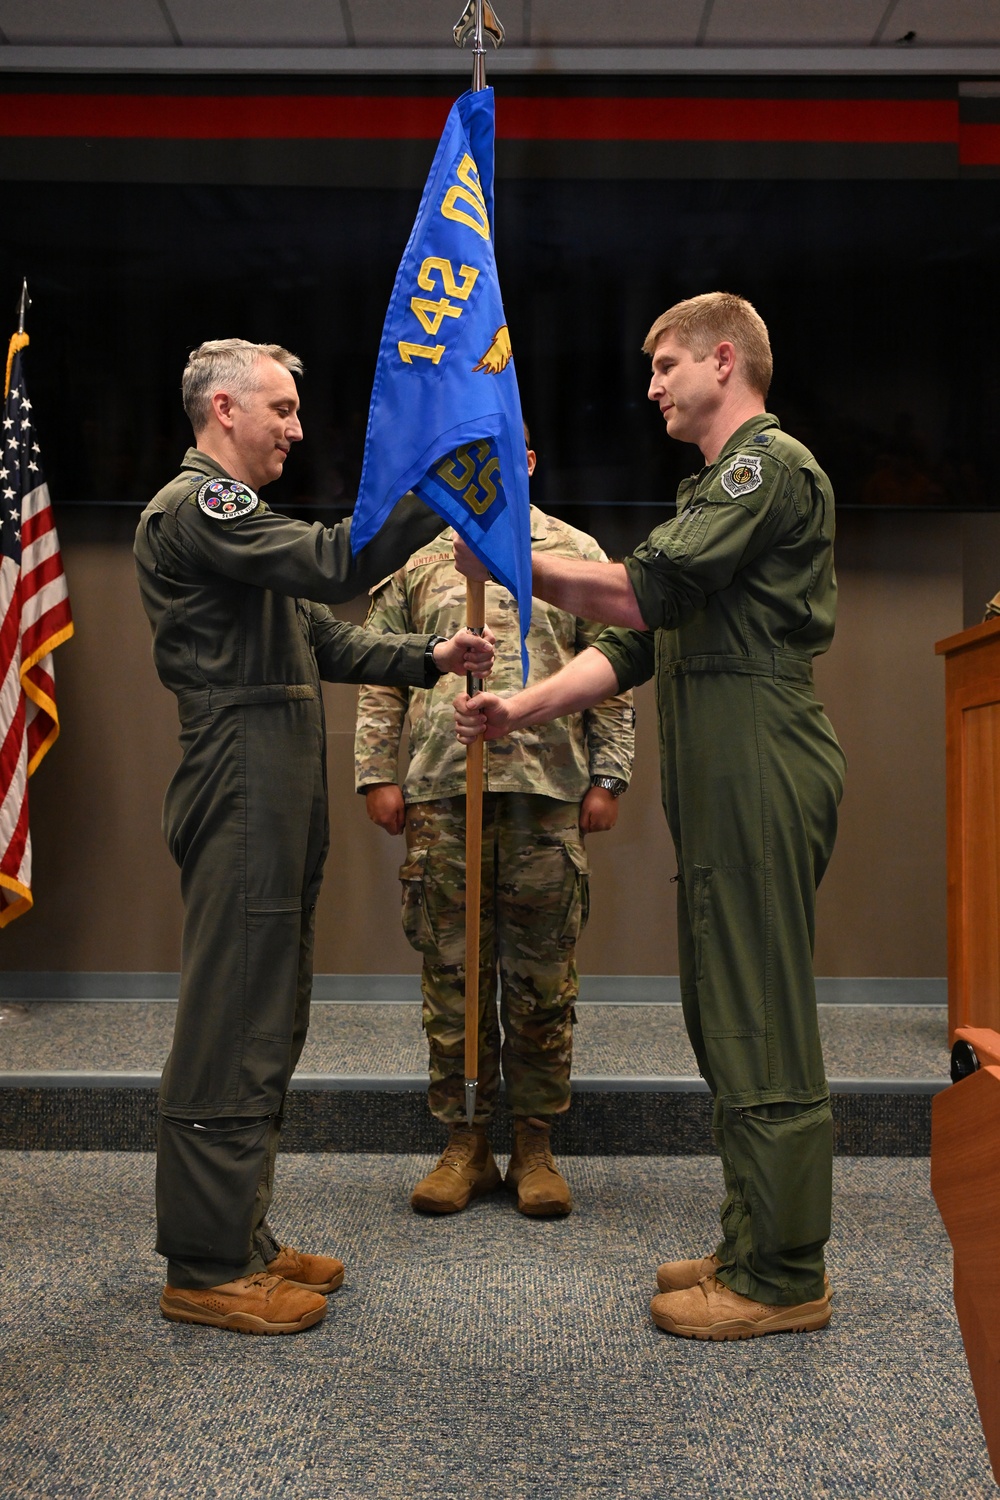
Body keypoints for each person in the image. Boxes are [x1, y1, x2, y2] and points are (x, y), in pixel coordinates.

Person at [454, 293, 846, 1341]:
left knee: (757, 1006)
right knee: (723, 1005)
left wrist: (509, 560)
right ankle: (751, 1235)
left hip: (758, 745)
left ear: (727, 359)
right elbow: (636, 646)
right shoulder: (713, 487)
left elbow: (639, 593)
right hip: (723, 755)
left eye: (668, 364)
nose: (653, 385)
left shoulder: (767, 466)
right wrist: (520, 706)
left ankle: (785, 1273)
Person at [134, 338, 494, 1336]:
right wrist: (439, 481)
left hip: (278, 767)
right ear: (224, 413)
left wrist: (429, 655)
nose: (296, 428)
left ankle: (239, 1232)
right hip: (242, 769)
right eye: (282, 409)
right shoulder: (195, 506)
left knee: (272, 1006)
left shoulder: (247, 524)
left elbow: (320, 635)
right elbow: (337, 564)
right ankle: (205, 1263)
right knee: (233, 1017)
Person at [355, 429, 635, 1218]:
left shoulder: (575, 553)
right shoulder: (420, 561)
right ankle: (466, 1141)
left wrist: (609, 775)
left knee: (543, 978)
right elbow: (381, 674)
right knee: (454, 973)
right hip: (444, 794)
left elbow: (613, 671)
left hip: (548, 792)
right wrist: (378, 775)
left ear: (531, 462)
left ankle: (536, 1144)